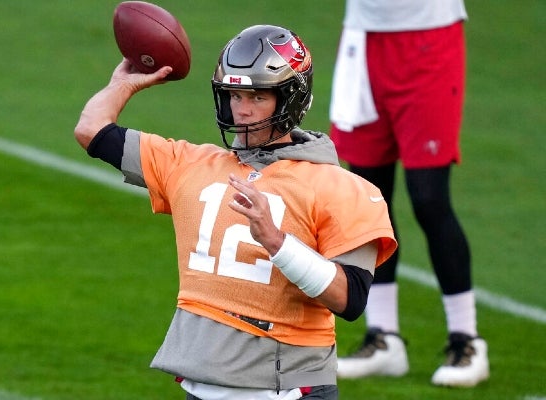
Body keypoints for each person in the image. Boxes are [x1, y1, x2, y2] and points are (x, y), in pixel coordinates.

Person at [74, 24, 397, 400]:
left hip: (288, 390)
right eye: (234, 95)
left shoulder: (343, 188)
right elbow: (92, 129)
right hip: (202, 388)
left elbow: (351, 300)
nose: (241, 111)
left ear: (289, 99)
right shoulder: (192, 164)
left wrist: (278, 243)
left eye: (257, 97)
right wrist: (123, 84)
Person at [328, 0, 489, 388]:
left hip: (429, 39)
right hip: (364, 41)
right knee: (369, 197)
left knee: (429, 198)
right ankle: (383, 337)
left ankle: (467, 339)